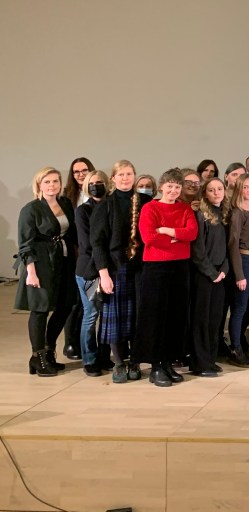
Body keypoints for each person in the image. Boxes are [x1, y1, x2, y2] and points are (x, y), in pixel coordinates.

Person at [135, 168, 199, 387]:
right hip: (156, 267)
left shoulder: (185, 208)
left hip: (180, 266)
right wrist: (176, 238)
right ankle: (156, 365)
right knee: (155, 316)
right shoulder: (150, 208)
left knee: (176, 316)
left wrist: (167, 231)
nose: (173, 190)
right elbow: (149, 237)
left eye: (177, 187)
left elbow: (192, 233)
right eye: (170, 186)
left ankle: (168, 361)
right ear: (161, 186)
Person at [15, 167, 78, 377]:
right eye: (47, 182)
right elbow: (25, 244)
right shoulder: (30, 209)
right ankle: (37, 357)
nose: (52, 185)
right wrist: (31, 272)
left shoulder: (65, 203)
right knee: (40, 310)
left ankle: (49, 351)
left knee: (65, 306)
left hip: (64, 262)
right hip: (40, 264)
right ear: (39, 185)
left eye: (55, 181)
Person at [91, 160, 147, 383]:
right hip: (115, 269)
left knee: (137, 317)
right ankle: (119, 363)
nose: (125, 178)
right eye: (121, 174)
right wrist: (103, 274)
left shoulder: (145, 202)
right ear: (113, 178)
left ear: (134, 176)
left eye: (129, 174)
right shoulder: (105, 205)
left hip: (140, 268)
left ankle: (135, 361)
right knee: (117, 318)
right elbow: (97, 243)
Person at [189, 178, 229, 377]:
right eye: (211, 190)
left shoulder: (224, 214)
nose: (216, 193)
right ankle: (200, 363)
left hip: (220, 274)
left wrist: (224, 270)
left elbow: (228, 247)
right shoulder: (200, 215)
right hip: (204, 275)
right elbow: (198, 251)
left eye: (219, 189)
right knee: (202, 321)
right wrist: (212, 273)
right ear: (205, 193)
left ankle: (210, 360)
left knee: (215, 320)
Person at [75, 169, 110, 376]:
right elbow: (88, 244)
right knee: (91, 315)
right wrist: (102, 268)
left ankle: (104, 356)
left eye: (99, 182)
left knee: (106, 316)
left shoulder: (110, 207)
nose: (96, 186)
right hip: (89, 271)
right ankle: (89, 359)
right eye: (92, 183)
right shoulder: (83, 211)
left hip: (108, 270)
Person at [226, 173, 249, 366]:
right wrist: (239, 274)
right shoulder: (238, 213)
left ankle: (242, 343)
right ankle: (235, 348)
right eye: (245, 187)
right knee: (239, 307)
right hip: (242, 260)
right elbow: (233, 245)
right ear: (239, 189)